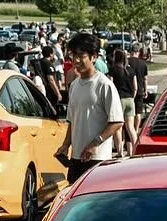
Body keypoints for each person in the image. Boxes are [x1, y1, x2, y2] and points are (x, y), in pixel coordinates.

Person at [57, 32, 123, 183]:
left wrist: (95, 143)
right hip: (76, 158)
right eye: (73, 55)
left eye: (81, 56)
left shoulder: (104, 85)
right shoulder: (74, 85)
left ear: (94, 57)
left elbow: (117, 122)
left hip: (98, 159)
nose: (76, 60)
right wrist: (66, 145)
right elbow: (72, 121)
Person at [108, 49, 136, 157]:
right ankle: (136, 149)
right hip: (130, 99)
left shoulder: (113, 69)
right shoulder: (130, 69)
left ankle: (120, 152)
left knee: (118, 127)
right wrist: (132, 96)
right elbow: (135, 87)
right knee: (131, 127)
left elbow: (110, 85)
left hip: (119, 99)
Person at [129, 43, 149, 134]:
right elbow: (145, 78)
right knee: (138, 112)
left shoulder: (127, 62)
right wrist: (146, 90)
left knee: (129, 112)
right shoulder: (143, 64)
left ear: (131, 51)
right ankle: (136, 130)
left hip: (129, 90)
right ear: (138, 52)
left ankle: (129, 130)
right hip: (140, 90)